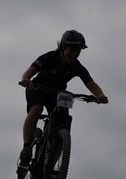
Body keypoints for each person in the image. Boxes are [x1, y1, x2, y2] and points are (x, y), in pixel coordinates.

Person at [18, 29, 109, 167]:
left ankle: (50, 167)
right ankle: (26, 148)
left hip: (57, 94)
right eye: (72, 49)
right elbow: (30, 70)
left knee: (64, 122)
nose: (74, 54)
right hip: (37, 89)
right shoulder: (49, 57)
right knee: (37, 109)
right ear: (63, 47)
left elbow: (91, 83)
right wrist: (26, 80)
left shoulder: (77, 66)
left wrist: (100, 96)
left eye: (78, 50)